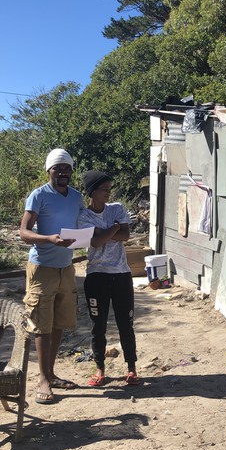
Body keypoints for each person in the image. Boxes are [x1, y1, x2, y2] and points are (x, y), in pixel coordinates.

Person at [19, 149, 84, 404]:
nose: (62, 173)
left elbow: (80, 226)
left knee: (58, 323)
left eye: (66, 168)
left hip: (66, 268)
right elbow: (23, 233)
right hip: (42, 268)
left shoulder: (76, 197)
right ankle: (43, 379)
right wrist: (49, 239)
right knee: (41, 325)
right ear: (49, 171)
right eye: (57, 169)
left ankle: (52, 373)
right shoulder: (38, 195)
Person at [77, 170, 140, 387]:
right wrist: (114, 227)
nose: (108, 194)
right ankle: (99, 369)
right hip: (96, 276)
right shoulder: (84, 216)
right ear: (92, 192)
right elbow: (95, 243)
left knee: (126, 323)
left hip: (121, 274)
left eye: (109, 189)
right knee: (98, 325)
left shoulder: (117, 208)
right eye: (104, 190)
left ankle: (131, 368)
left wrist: (107, 233)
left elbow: (125, 235)